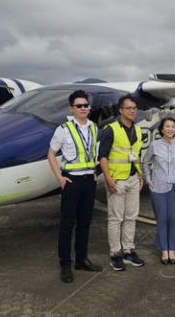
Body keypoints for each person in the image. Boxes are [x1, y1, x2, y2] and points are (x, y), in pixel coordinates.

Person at [46, 90, 104, 283]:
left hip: (89, 180)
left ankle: (81, 259)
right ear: (72, 108)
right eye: (79, 106)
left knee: (85, 222)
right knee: (67, 224)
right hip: (71, 181)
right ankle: (65, 264)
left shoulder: (94, 128)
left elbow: (92, 151)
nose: (83, 108)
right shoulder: (63, 129)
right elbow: (51, 155)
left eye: (86, 105)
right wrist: (60, 179)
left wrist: (94, 170)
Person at [98, 95, 146, 271]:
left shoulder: (138, 130)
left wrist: (140, 175)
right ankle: (115, 254)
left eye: (134, 108)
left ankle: (128, 250)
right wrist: (108, 178)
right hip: (117, 179)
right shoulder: (110, 130)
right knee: (116, 218)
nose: (132, 111)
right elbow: (102, 156)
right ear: (121, 110)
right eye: (129, 108)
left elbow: (137, 154)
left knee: (131, 217)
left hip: (133, 178)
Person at [142, 116, 175, 265]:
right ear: (162, 129)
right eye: (167, 126)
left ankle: (172, 249)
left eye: (173, 127)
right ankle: (164, 250)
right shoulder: (155, 145)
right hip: (158, 186)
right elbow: (146, 161)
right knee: (162, 219)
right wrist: (148, 179)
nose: (170, 129)